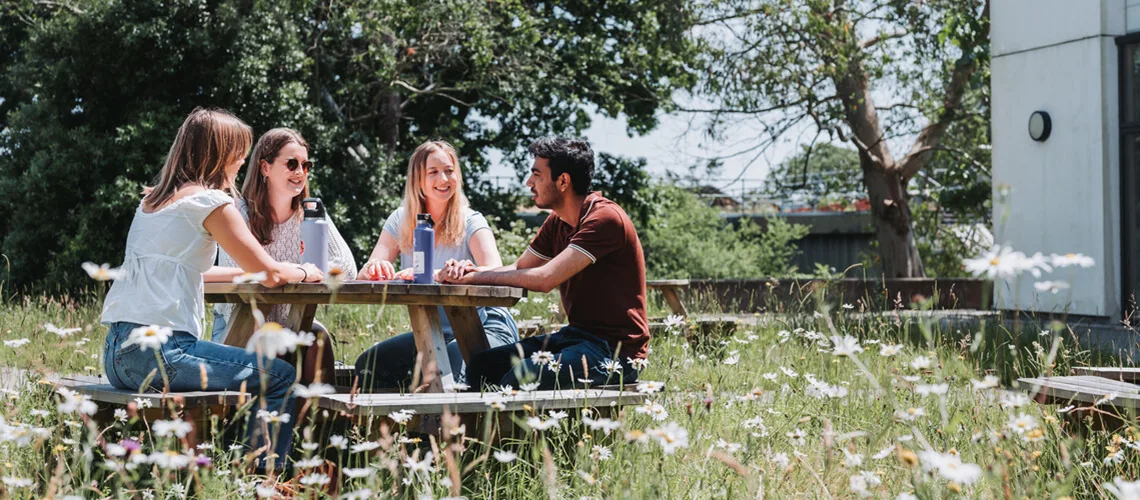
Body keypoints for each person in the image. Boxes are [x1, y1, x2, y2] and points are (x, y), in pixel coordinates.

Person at [100, 108, 323, 474]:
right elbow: (268, 272)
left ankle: (232, 466)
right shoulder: (212, 203)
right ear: (222, 154)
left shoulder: (153, 202)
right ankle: (262, 481)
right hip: (163, 352)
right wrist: (303, 269)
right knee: (281, 377)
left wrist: (248, 272)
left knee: (256, 371)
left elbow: (200, 270)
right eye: (240, 154)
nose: (241, 164)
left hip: (117, 354)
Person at [439, 137, 649, 390]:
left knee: (525, 374)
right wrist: (469, 270)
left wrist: (474, 278)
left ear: (563, 181)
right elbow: (519, 268)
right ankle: (474, 429)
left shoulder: (605, 219)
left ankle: (511, 427)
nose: (529, 182)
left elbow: (544, 279)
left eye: (537, 175)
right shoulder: (558, 221)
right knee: (483, 366)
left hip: (616, 353)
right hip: (576, 337)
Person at [354, 140, 519, 391]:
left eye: (449, 170)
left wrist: (442, 275)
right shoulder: (401, 220)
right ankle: (398, 429)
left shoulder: (472, 221)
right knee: (371, 364)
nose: (444, 178)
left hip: (485, 326)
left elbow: (497, 271)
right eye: (433, 172)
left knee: (450, 366)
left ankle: (451, 431)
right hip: (433, 332)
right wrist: (374, 269)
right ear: (417, 179)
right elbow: (368, 271)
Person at [207, 128, 357, 383]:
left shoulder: (310, 213)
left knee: (318, 340)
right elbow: (249, 275)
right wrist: (301, 271)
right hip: (240, 322)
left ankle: (320, 421)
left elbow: (347, 267)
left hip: (294, 320)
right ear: (264, 167)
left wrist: (293, 271)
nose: (300, 172)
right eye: (291, 164)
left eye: (305, 165)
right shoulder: (237, 212)